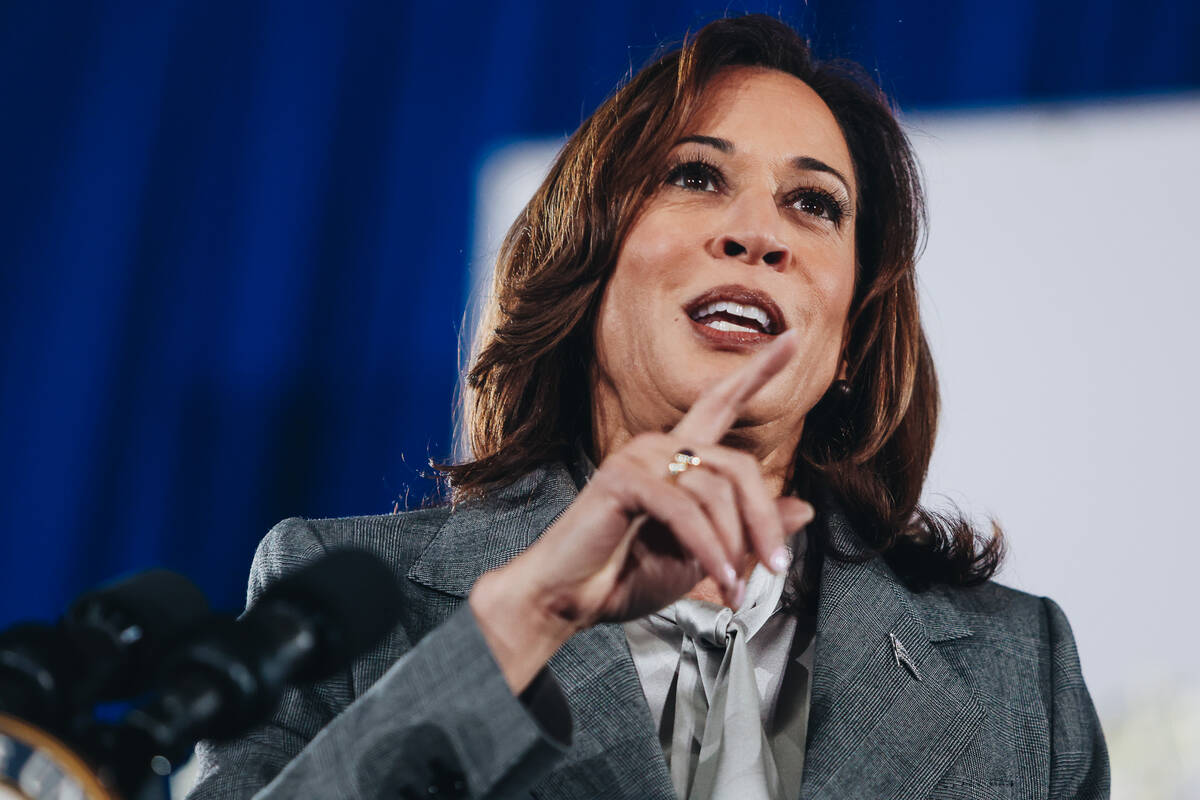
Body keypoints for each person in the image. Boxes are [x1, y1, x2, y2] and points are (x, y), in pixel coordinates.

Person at [188, 14, 1109, 800]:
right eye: (697, 176)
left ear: (851, 342)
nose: (756, 234)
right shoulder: (342, 603)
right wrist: (525, 619)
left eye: (813, 204)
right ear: (583, 269)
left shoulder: (1018, 674)